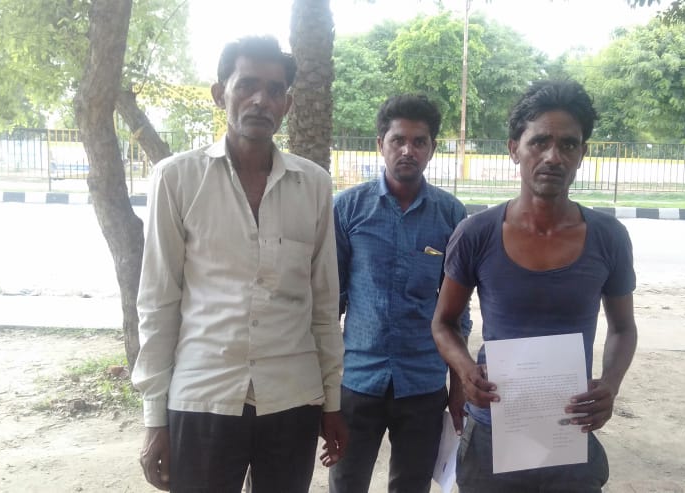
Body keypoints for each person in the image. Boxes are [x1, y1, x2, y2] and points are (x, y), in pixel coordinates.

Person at [132, 35, 348, 493]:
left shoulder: (313, 185)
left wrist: (332, 403)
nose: (260, 100)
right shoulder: (176, 178)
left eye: (274, 90)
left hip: (292, 397)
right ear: (219, 94)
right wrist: (155, 418)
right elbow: (158, 301)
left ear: (287, 105)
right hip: (203, 394)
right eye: (246, 85)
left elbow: (324, 304)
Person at [431, 80, 638, 492]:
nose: (553, 157)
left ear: (582, 153)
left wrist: (610, 385)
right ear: (514, 149)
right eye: (539, 142)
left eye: (568, 144)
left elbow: (623, 328)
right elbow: (443, 323)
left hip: (569, 429)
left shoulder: (608, 237)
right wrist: (466, 370)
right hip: (493, 431)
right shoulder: (476, 234)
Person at [329, 94, 471, 493]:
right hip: (359, 380)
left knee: (411, 486)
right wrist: (324, 392)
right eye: (398, 140)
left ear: (432, 149)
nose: (408, 150)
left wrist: (458, 387)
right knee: (346, 484)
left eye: (419, 141)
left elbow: (457, 313)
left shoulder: (450, 214)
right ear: (381, 144)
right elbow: (330, 302)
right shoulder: (348, 209)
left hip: (423, 382)